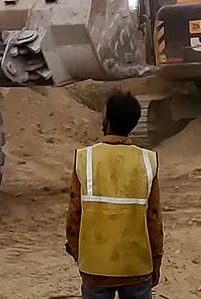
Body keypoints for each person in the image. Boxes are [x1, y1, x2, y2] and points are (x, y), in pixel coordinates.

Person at [66, 90, 164, 299]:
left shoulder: (85, 158)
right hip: (137, 267)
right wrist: (156, 262)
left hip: (95, 267)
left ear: (106, 120)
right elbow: (154, 220)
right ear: (134, 123)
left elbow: (74, 215)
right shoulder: (148, 161)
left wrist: (79, 255)